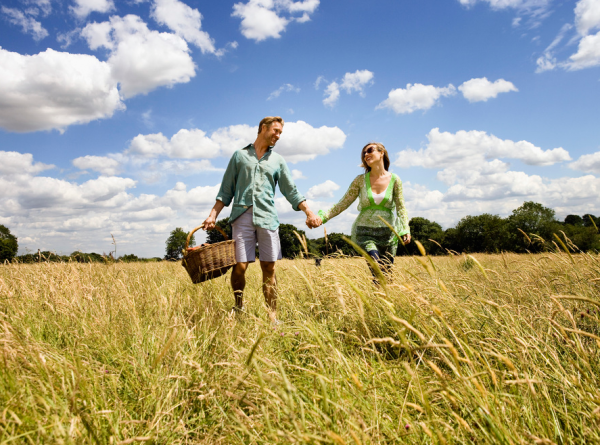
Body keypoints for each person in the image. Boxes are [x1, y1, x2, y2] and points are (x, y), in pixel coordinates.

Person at [202, 116, 321, 322]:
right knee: (239, 266)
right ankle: (239, 307)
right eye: (275, 131)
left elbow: (290, 190)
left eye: (280, 133)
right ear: (263, 128)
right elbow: (226, 190)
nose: (278, 136)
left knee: (269, 267)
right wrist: (213, 214)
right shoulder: (239, 156)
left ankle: (272, 316)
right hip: (241, 216)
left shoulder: (278, 161)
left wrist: (308, 212)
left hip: (267, 217)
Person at [317, 142, 411, 279]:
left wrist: (405, 229)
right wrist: (323, 217)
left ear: (382, 153)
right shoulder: (360, 180)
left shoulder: (395, 180)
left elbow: (401, 206)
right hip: (365, 233)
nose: (366, 154)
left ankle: (380, 299)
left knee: (386, 277)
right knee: (377, 268)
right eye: (363, 153)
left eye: (369, 151)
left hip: (388, 235)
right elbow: (343, 203)